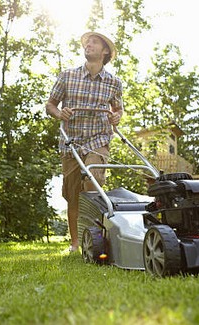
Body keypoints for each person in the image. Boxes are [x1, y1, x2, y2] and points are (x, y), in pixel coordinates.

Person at [45, 31, 124, 252]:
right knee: (74, 196)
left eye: (94, 41)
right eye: (87, 42)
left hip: (99, 138)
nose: (88, 44)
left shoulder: (114, 83)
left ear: (105, 51)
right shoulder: (67, 76)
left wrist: (116, 116)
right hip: (71, 142)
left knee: (92, 177)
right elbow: (50, 105)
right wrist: (60, 113)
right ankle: (76, 243)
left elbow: (118, 109)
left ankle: (96, 238)